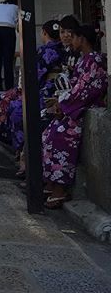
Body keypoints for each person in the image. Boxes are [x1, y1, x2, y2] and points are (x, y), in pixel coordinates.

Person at [0, 20, 62, 160]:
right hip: (41, 87)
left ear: (44, 32)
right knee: (1, 100)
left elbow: (35, 75)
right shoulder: (58, 49)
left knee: (4, 103)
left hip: (41, 90)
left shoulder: (46, 50)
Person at [42, 24, 107, 209]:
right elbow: (73, 85)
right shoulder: (84, 60)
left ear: (82, 39)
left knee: (59, 134)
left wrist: (63, 104)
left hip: (83, 109)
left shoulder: (94, 61)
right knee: (48, 132)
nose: (72, 39)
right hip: (74, 106)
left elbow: (84, 91)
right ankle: (52, 181)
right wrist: (59, 101)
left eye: (75, 36)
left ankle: (61, 187)